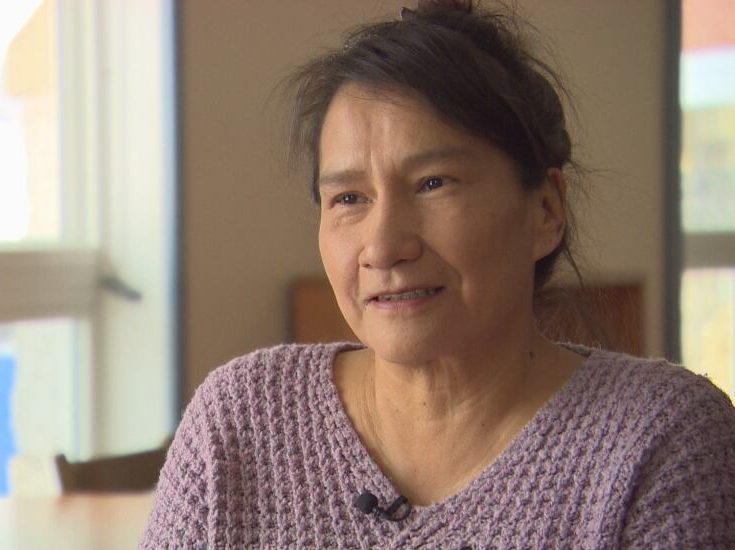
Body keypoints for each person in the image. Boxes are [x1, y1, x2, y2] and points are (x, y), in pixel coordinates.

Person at [141, 1, 735, 548]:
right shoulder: (239, 423)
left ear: (546, 210)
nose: (385, 245)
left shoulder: (662, 443)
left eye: (434, 184)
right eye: (348, 198)